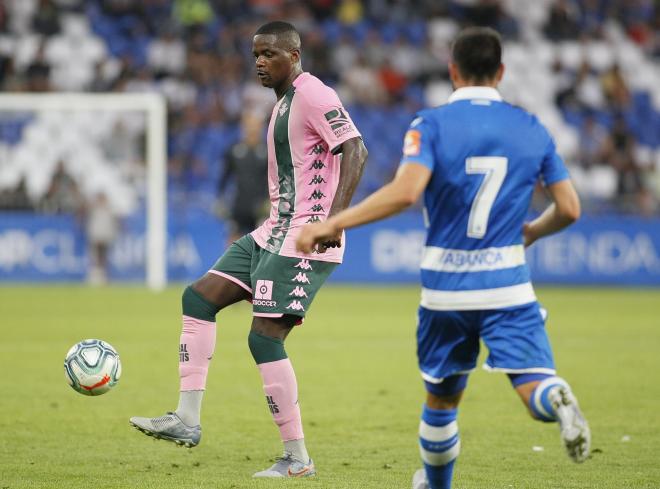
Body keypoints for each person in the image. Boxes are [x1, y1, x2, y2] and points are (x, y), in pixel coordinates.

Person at [297, 27, 590, 489]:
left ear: (452, 71)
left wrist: (334, 222)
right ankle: (556, 398)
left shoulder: (430, 125)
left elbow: (407, 191)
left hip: (446, 290)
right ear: (502, 72)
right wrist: (532, 231)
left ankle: (435, 486)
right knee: (533, 380)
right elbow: (570, 208)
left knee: (442, 398)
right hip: (508, 285)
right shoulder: (531, 127)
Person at [129, 20, 368, 478]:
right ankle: (186, 418)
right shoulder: (282, 104)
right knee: (198, 298)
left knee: (264, 337)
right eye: (255, 54)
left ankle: (298, 459)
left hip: (305, 235)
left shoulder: (314, 93)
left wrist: (335, 219)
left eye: (269, 54)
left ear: (294, 56)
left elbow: (355, 148)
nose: (259, 62)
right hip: (271, 231)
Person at [217, 112, 269, 245]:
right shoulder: (234, 150)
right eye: (249, 126)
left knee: (262, 245)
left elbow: (276, 178)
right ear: (243, 128)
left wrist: (270, 201)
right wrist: (220, 199)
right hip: (239, 205)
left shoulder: (268, 150)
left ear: (260, 128)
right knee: (232, 244)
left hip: (261, 207)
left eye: (255, 126)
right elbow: (224, 177)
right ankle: (229, 266)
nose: (252, 129)